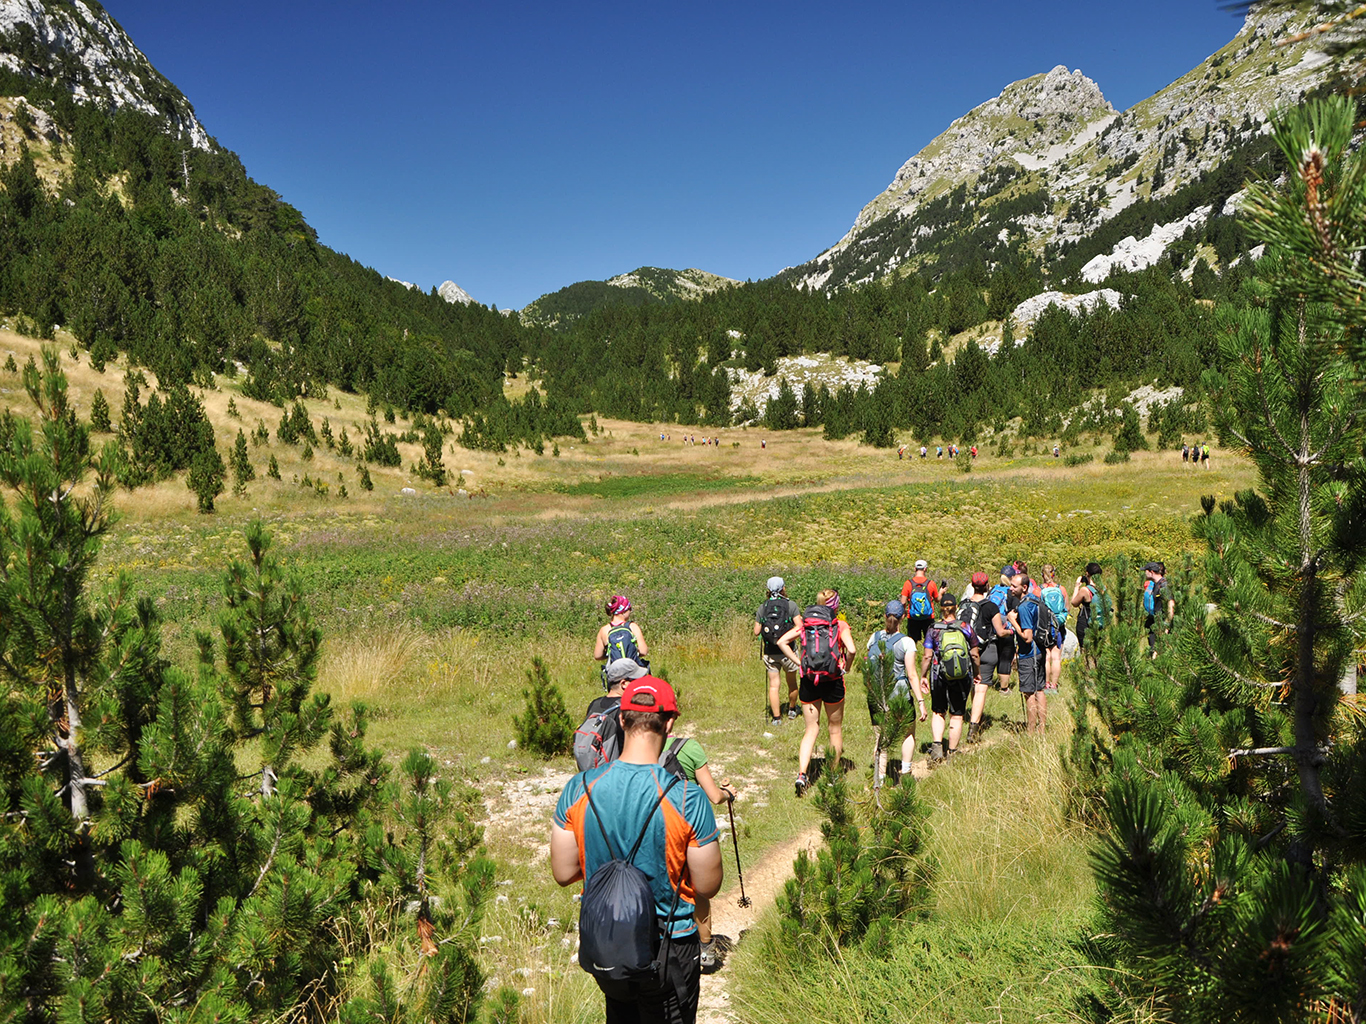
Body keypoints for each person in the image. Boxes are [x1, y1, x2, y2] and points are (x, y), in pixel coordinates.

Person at [551, 675, 722, 1024]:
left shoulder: (578, 788)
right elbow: (707, 886)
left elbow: (564, 873)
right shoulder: (688, 797)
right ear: (671, 722)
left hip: (609, 942)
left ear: (621, 719)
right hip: (669, 948)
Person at [656, 732, 736, 971]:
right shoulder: (689, 747)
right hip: (687, 826)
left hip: (655, 826)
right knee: (698, 889)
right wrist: (728, 793)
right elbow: (713, 796)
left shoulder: (641, 747)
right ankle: (705, 951)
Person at [776, 589, 856, 796]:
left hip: (809, 680)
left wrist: (799, 663)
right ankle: (832, 775)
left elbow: (781, 642)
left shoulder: (806, 624)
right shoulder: (840, 625)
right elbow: (852, 650)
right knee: (834, 729)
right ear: (836, 605)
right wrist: (846, 667)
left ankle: (802, 774)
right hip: (833, 680)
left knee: (811, 730)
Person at [865, 600, 924, 784]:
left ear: (885, 617)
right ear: (903, 618)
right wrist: (921, 702)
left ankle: (879, 779)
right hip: (898, 693)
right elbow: (912, 674)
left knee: (880, 737)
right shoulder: (906, 642)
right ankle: (905, 774)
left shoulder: (873, 638)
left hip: (876, 693)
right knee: (908, 733)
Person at [920, 595, 980, 760]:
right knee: (957, 713)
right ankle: (953, 752)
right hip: (961, 676)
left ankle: (937, 747)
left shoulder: (933, 628)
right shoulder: (965, 627)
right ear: (956, 608)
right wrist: (977, 673)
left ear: (940, 608)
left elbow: (927, 656)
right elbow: (974, 654)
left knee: (939, 711)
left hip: (939, 675)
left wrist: (923, 675)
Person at [959, 572, 1006, 743]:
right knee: (981, 687)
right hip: (986, 650)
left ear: (972, 585)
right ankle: (974, 727)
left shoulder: (963, 604)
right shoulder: (991, 606)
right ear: (987, 586)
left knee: (973, 684)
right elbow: (999, 631)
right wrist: (1010, 631)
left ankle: (974, 716)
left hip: (966, 649)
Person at [753, 576, 801, 725]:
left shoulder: (763, 607)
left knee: (774, 685)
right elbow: (800, 627)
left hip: (770, 652)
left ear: (768, 590)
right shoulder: (790, 605)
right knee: (792, 682)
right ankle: (792, 710)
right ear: (783, 589)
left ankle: (776, 718)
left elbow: (756, 631)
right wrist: (786, 638)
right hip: (789, 652)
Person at [1006, 571, 1047, 734]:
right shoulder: (1035, 600)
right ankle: (1042, 727)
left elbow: (1027, 637)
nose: (1010, 589)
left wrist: (1012, 621)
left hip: (1029, 653)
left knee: (1029, 692)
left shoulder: (1023, 607)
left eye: (1013, 586)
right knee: (1040, 689)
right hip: (1040, 651)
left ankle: (1031, 730)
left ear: (1024, 587)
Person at [985, 565, 1017, 692]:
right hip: (1006, 629)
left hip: (992, 628)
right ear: (1012, 577)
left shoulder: (993, 590)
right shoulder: (1011, 592)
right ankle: (1004, 688)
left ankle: (987, 683)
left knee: (993, 656)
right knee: (1005, 657)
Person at [595, 595, 649, 668]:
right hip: (633, 669)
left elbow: (597, 655)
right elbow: (643, 651)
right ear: (623, 611)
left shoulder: (604, 630)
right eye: (630, 609)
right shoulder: (632, 626)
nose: (630, 612)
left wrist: (613, 653)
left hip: (615, 671)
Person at [1040, 565, 1070, 692]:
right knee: (1056, 657)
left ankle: (1045, 684)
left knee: (1046, 656)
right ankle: (1054, 685)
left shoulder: (1039, 590)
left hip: (1045, 626)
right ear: (1053, 575)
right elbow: (1067, 608)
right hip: (1058, 625)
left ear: (1042, 575)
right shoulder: (1061, 589)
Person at [1070, 561, 1106, 665]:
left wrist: (1077, 586)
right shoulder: (1103, 588)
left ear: (1087, 574)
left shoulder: (1085, 590)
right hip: (1099, 622)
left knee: (1085, 651)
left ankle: (1087, 672)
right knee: (1098, 649)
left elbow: (1074, 603)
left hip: (1085, 622)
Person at [901, 560, 940, 647]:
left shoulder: (908, 583)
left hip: (912, 617)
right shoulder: (931, 583)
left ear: (915, 569)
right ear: (925, 569)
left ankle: (912, 659)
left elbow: (903, 602)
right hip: (928, 617)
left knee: (911, 643)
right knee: (930, 642)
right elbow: (938, 599)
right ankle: (928, 659)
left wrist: (903, 613)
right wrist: (941, 592)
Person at [1142, 561, 1174, 653]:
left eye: (1146, 571)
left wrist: (1166, 626)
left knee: (1161, 651)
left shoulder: (1164, 586)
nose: (1144, 573)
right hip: (1155, 622)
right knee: (1153, 649)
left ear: (1151, 572)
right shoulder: (1155, 585)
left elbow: (1171, 605)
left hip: (1162, 624)